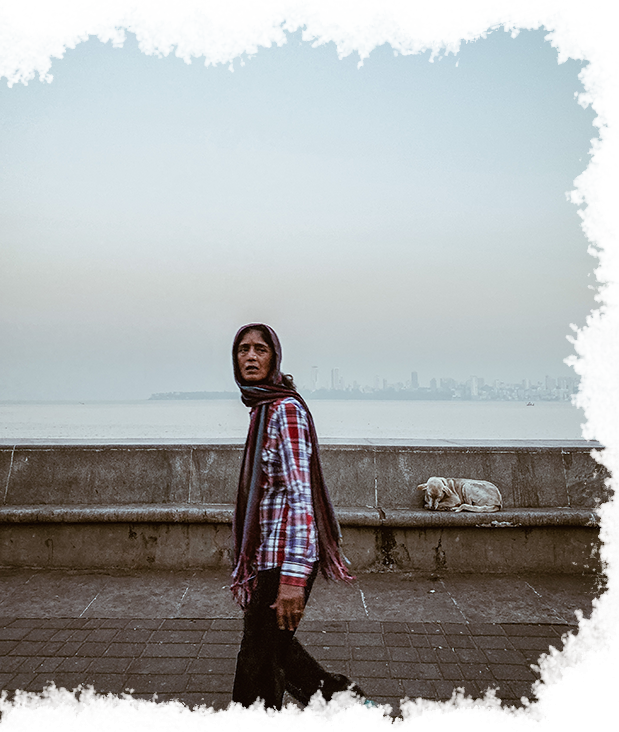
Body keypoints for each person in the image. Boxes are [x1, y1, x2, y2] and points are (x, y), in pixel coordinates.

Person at [230, 323, 378, 722]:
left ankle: (344, 707)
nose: (250, 356)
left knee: (256, 662)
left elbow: (300, 495)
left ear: (274, 358)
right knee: (274, 652)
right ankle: (349, 706)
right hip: (269, 554)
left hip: (287, 557)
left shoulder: (285, 410)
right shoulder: (262, 409)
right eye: (243, 349)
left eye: (260, 349)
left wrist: (293, 579)